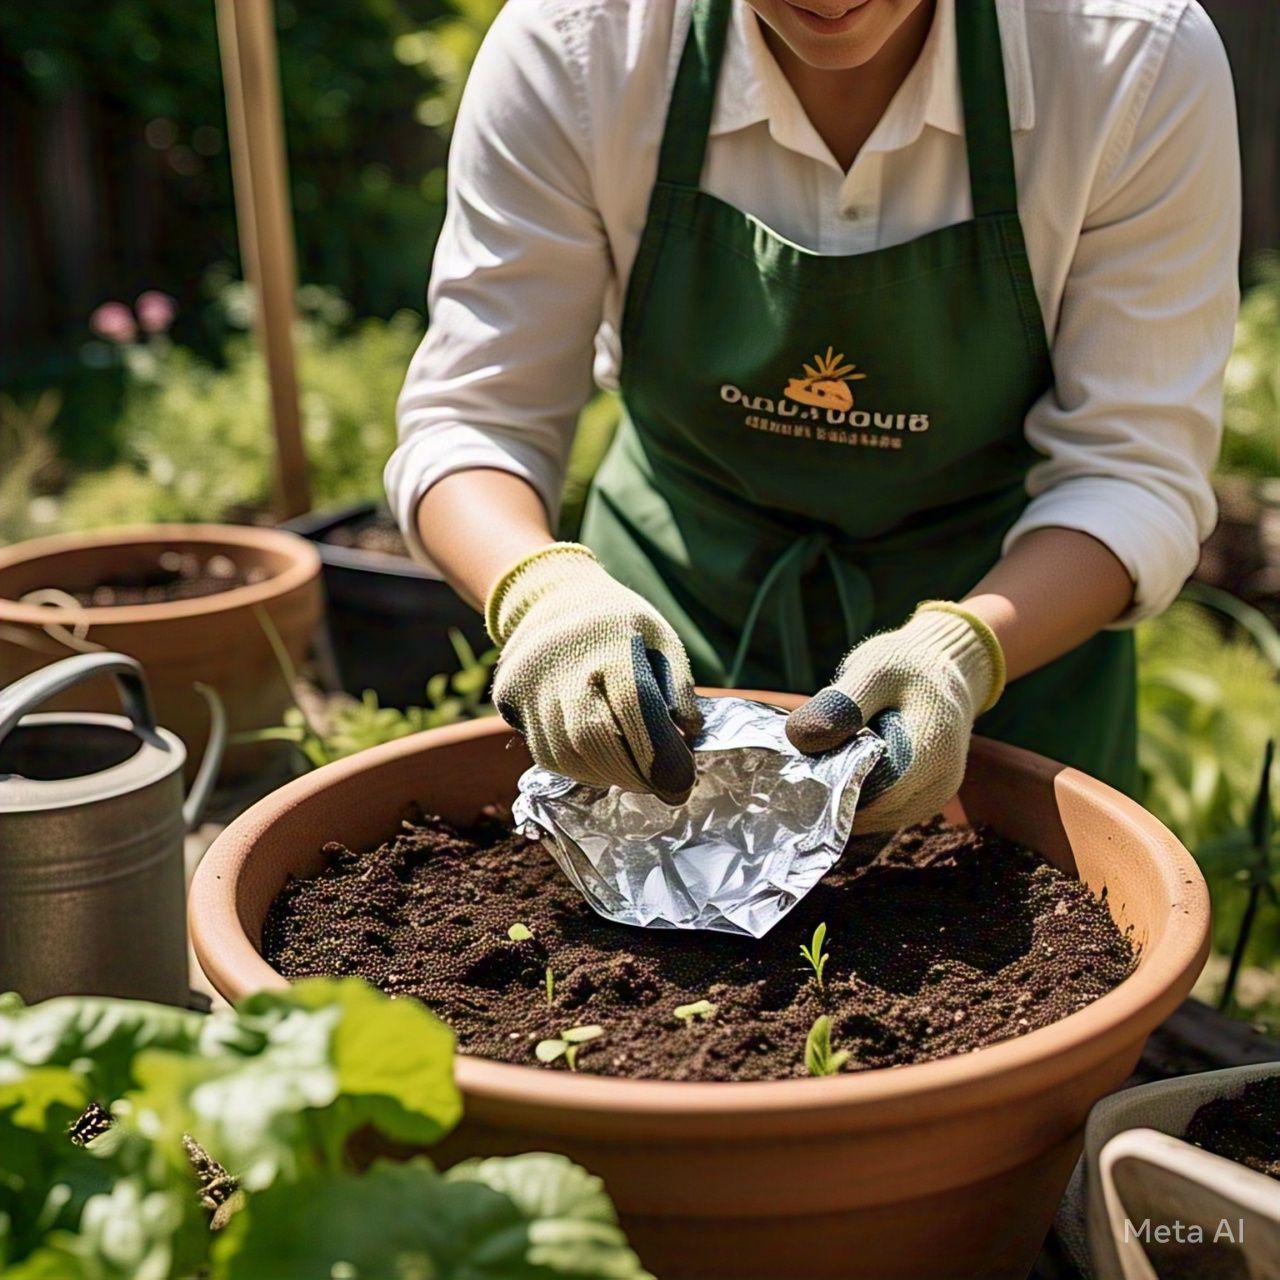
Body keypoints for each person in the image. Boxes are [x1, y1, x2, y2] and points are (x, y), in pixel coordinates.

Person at [386, 0, 1240, 829]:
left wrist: (963, 655)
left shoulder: (1130, 56)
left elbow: (1131, 470)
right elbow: (476, 418)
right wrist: (549, 596)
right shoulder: (581, 43)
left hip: (1007, 663)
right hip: (669, 663)